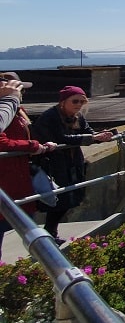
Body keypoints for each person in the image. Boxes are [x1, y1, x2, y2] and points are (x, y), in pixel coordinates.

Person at [31, 86, 114, 243]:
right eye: (75, 101)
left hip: (72, 163)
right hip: (54, 164)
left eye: (82, 101)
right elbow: (62, 138)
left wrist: (100, 135)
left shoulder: (78, 117)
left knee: (71, 198)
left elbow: (87, 131)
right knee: (59, 199)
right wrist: (93, 138)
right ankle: (48, 234)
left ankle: (50, 232)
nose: (78, 105)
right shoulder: (50, 117)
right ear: (63, 102)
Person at [0, 75, 57, 253]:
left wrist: (42, 144)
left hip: (20, 176)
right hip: (6, 177)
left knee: (26, 222)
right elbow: (2, 142)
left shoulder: (18, 110)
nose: (21, 92)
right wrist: (32, 146)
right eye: (18, 88)